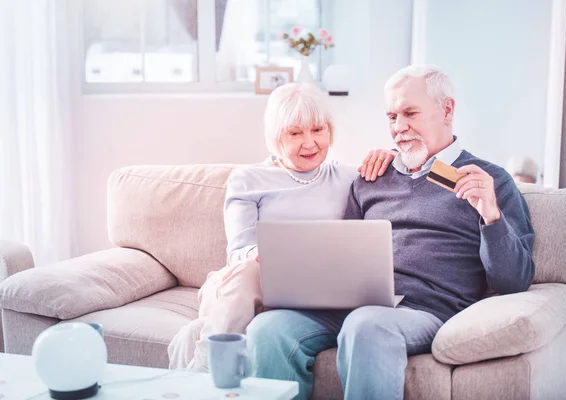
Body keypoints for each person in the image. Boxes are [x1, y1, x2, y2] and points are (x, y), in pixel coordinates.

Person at [245, 65, 536, 400]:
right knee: (268, 330)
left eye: (410, 113)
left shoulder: (489, 179)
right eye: (391, 116)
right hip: (354, 304)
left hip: (424, 310)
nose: (399, 128)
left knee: (367, 325)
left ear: (447, 110)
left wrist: (491, 214)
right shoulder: (373, 176)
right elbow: (345, 252)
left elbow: (515, 281)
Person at [167, 82, 396, 371]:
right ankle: (206, 373)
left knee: (191, 335)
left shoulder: (350, 177)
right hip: (248, 285)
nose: (310, 142)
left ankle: (204, 351)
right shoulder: (248, 179)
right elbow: (238, 252)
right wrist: (259, 255)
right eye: (295, 133)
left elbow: (406, 174)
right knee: (250, 270)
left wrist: (390, 155)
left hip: (315, 289)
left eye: (317, 130)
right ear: (276, 137)